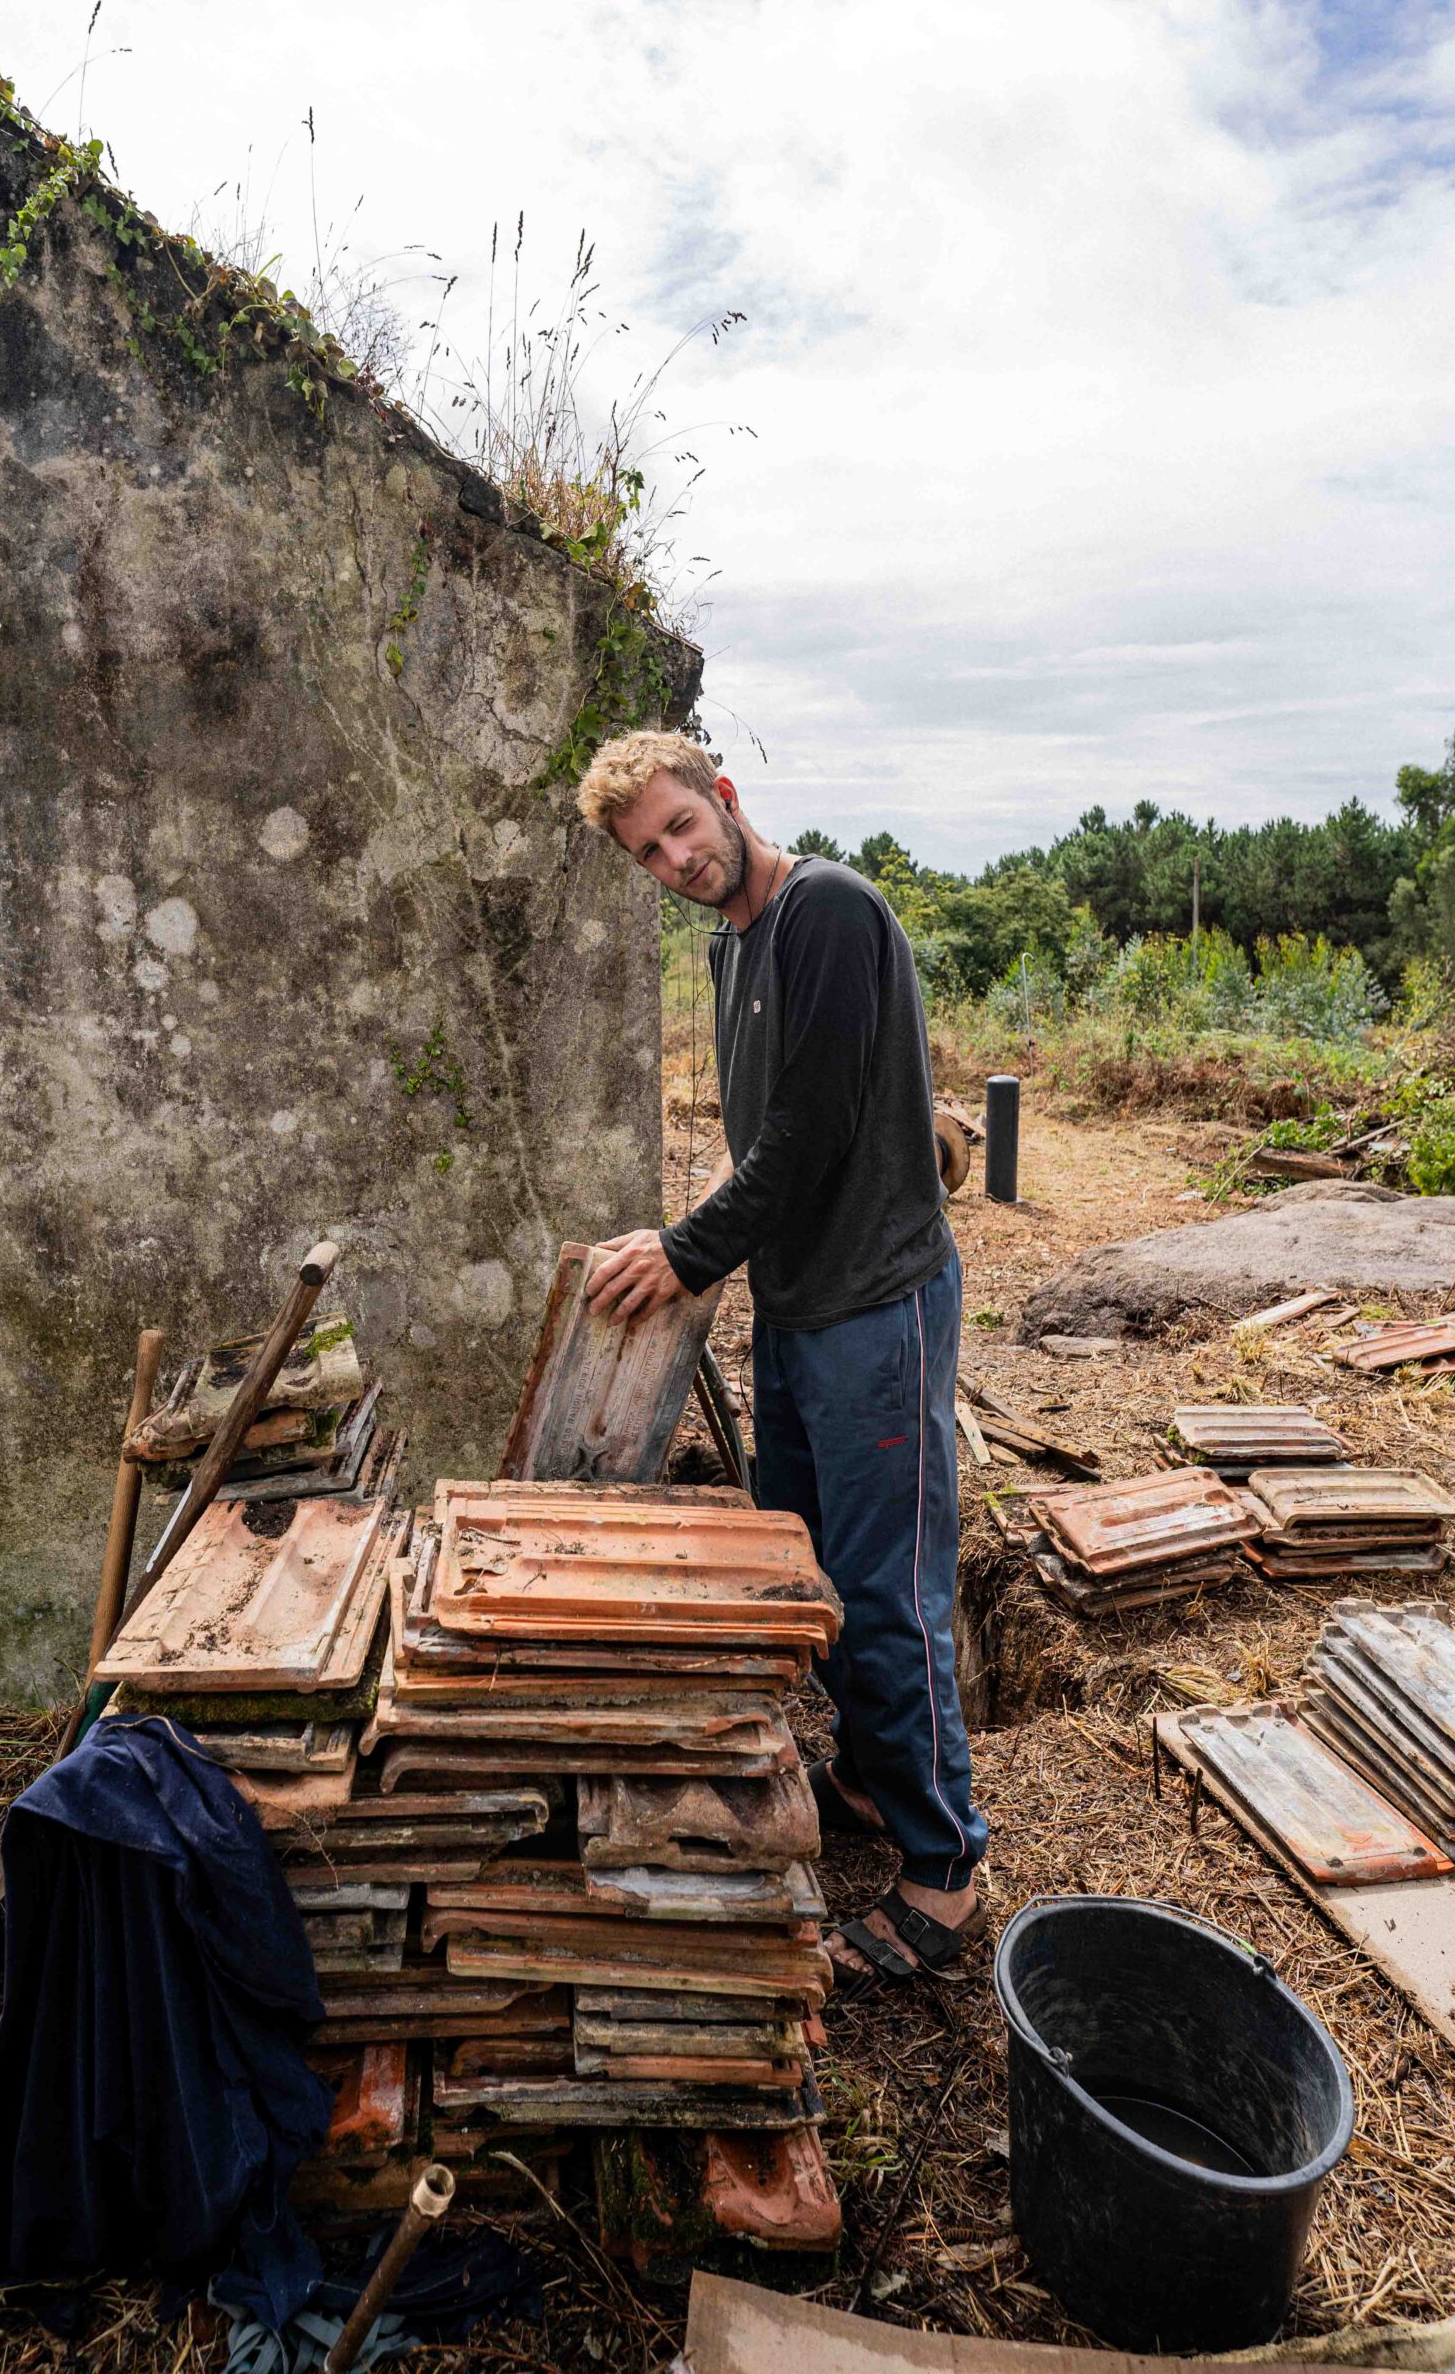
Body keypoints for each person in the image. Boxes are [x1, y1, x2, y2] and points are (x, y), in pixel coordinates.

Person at [573, 729, 989, 1999]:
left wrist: (690, 1252)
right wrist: (708, 1243)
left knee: (888, 1585)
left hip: (877, 1301)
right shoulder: (733, 942)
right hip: (801, 1308)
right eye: (649, 851)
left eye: (682, 827)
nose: (675, 859)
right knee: (813, 1561)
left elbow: (806, 1139)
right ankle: (868, 1776)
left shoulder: (829, 913)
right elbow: (764, 1135)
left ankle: (943, 1872)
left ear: (726, 797)